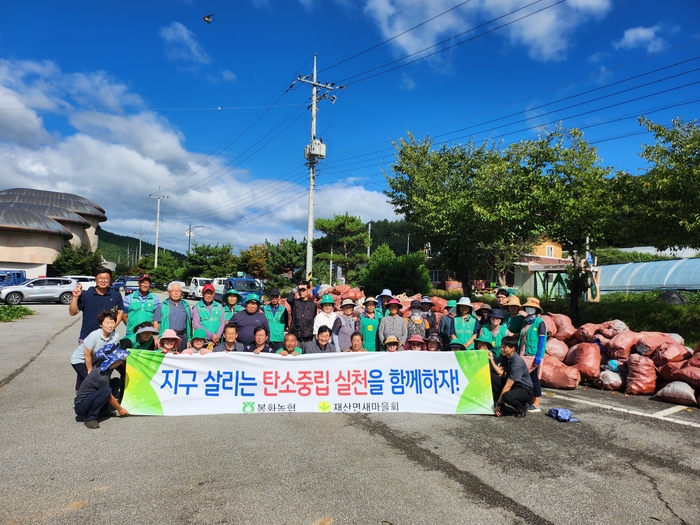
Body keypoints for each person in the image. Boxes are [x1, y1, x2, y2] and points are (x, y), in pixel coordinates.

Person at [74, 346, 130, 429]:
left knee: (116, 382)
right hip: (81, 406)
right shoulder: (101, 375)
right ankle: (90, 418)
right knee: (106, 390)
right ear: (113, 361)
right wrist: (120, 409)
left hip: (91, 398)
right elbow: (110, 397)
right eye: (119, 359)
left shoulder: (105, 366)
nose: (121, 361)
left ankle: (102, 410)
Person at [69, 267, 124, 344]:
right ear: (95, 279)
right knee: (87, 356)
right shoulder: (86, 294)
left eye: (106, 278)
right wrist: (75, 297)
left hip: (109, 337)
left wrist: (113, 326)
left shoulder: (116, 295)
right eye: (100, 278)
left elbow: (120, 312)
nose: (103, 281)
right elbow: (72, 312)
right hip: (87, 336)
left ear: (110, 280)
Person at [70, 310, 120, 391]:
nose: (110, 325)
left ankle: (102, 397)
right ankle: (82, 398)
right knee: (91, 381)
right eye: (107, 323)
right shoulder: (94, 336)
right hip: (80, 359)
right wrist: (90, 370)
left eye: (112, 322)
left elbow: (110, 353)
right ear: (101, 324)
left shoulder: (115, 336)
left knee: (100, 381)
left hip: (96, 359)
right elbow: (87, 355)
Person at [490, 336, 534, 418]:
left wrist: (498, 404)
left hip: (525, 389)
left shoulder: (517, 363)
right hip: (514, 385)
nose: (502, 349)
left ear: (512, 349)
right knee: (492, 377)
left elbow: (508, 385)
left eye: (504, 347)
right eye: (501, 346)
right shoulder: (505, 356)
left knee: (506, 396)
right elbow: (500, 372)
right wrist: (491, 359)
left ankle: (521, 407)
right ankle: (501, 407)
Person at [517, 298, 546, 413]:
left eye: (531, 307)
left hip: (533, 355)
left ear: (536, 309)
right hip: (524, 353)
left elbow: (542, 339)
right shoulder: (526, 321)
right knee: (526, 379)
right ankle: (531, 400)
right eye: (527, 307)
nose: (529, 309)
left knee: (534, 379)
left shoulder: (539, 322)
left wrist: (539, 355)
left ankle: (536, 403)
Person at [122, 274, 160, 345]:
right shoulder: (129, 298)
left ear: (150, 285)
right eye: (143, 282)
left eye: (147, 283)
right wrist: (131, 325)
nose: (145, 285)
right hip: (132, 333)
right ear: (139, 283)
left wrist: (155, 336)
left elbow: (156, 319)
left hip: (148, 335)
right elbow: (124, 315)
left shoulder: (155, 299)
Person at [153, 281, 191, 352]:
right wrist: (156, 340)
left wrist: (189, 340)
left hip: (182, 337)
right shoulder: (162, 306)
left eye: (178, 291)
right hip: (168, 339)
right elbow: (156, 323)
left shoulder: (186, 305)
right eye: (173, 291)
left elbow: (189, 323)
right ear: (169, 292)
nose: (176, 293)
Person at [287, 281, 317, 351]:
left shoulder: (313, 305)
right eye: (300, 290)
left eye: (304, 290)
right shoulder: (295, 303)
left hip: (308, 338)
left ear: (308, 290)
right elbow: (289, 299)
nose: (301, 292)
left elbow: (314, 319)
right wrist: (296, 289)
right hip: (296, 338)